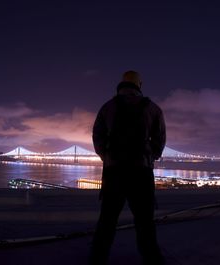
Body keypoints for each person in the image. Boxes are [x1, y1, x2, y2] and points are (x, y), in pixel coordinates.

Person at [89, 71, 166, 265]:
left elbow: (97, 136)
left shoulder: (108, 107)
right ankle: (152, 260)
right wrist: (151, 155)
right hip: (141, 172)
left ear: (121, 85)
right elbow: (160, 139)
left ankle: (97, 260)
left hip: (114, 172)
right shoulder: (152, 108)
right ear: (139, 85)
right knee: (145, 221)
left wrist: (106, 156)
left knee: (107, 220)